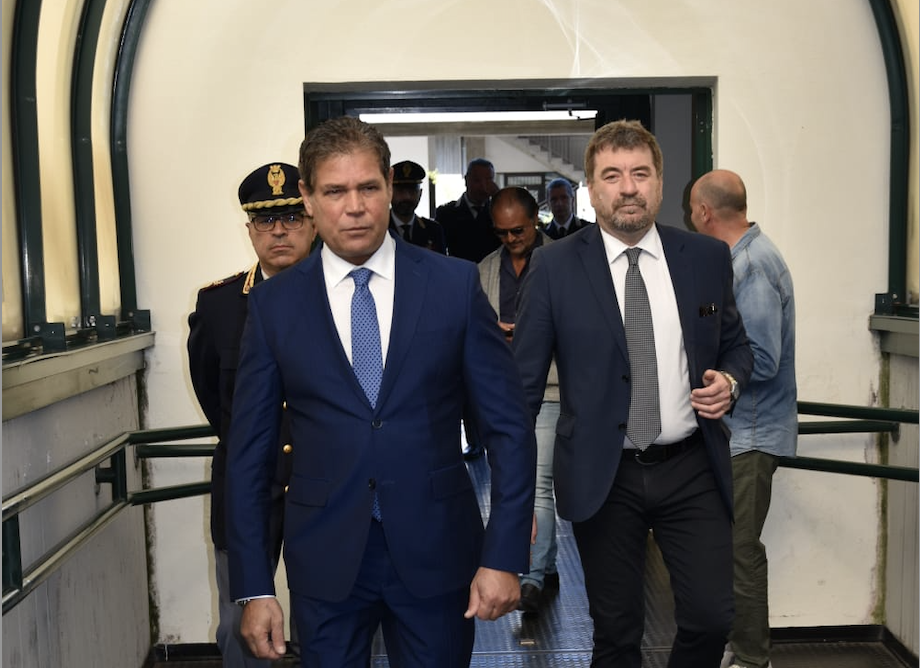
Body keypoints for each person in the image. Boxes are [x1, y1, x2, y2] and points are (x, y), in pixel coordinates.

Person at [224, 116, 536, 668]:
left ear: (389, 186)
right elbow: (249, 454)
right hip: (325, 561)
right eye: (334, 192)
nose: (355, 207)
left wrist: (505, 554)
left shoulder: (453, 286)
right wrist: (254, 587)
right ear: (307, 197)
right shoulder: (275, 306)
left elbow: (508, 429)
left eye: (368, 187)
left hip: (438, 552)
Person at [512, 119, 753, 668]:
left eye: (641, 174)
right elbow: (521, 389)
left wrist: (730, 381)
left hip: (691, 467)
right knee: (618, 634)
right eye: (612, 176)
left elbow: (737, 346)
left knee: (712, 618)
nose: (628, 188)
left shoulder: (705, 258)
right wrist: (516, 496)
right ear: (591, 189)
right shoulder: (554, 267)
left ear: (660, 184)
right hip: (604, 474)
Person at [187, 161, 315, 667]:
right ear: (249, 229)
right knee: (240, 626)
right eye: (266, 220)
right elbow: (214, 396)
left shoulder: (343, 296)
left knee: (328, 620)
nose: (279, 231)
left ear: (312, 222)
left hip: (322, 482)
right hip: (247, 486)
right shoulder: (218, 305)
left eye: (291, 217)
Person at [690, 169, 797, 668]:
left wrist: (710, 369)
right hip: (739, 433)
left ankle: (753, 660)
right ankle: (740, 649)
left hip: (751, 434)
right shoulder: (739, 260)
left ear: (704, 212)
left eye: (691, 210)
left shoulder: (751, 266)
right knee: (727, 549)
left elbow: (763, 358)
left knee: (739, 550)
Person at [478, 187, 559, 614]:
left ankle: (532, 576)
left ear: (536, 221)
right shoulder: (485, 270)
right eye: (502, 232)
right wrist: (496, 333)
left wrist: (534, 336)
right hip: (503, 391)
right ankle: (547, 563)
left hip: (551, 388)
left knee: (537, 482)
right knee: (514, 479)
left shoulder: (565, 261)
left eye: (518, 231)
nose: (510, 239)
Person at [435, 157, 501, 263]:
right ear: (466, 180)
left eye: (488, 180)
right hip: (460, 270)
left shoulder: (498, 212)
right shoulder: (447, 213)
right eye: (477, 180)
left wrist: (499, 197)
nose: (483, 186)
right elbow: (439, 253)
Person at [389, 159, 447, 254]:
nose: (407, 197)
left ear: (420, 194)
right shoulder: (379, 229)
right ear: (389, 192)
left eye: (412, 191)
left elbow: (441, 262)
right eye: (400, 191)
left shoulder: (433, 230)